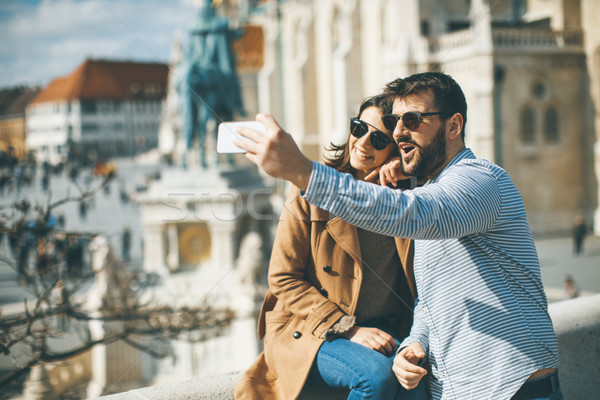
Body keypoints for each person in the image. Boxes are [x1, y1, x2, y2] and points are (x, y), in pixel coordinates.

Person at [235, 72, 561, 400]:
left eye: (413, 119)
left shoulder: (481, 181)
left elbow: (414, 214)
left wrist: (303, 171)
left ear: (453, 126)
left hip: (516, 387)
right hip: (460, 390)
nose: (400, 130)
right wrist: (413, 343)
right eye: (395, 122)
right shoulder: (429, 190)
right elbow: (428, 300)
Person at [234, 95, 428, 400]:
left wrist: (406, 175)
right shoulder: (310, 192)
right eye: (358, 128)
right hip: (313, 329)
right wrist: (348, 328)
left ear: (395, 148)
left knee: (416, 387)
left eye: (378, 139)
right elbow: (283, 278)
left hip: (383, 329)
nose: (363, 142)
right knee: (374, 379)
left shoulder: (408, 200)